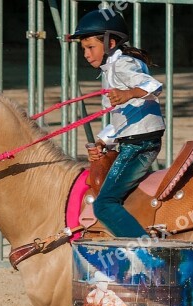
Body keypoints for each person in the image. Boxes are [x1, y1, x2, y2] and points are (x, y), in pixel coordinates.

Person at [68, 9, 165, 238]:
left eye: (90, 47)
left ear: (110, 42)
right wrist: (105, 139)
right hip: (133, 139)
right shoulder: (112, 68)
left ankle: (147, 252)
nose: (86, 54)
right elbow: (125, 115)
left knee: (104, 205)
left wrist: (129, 92)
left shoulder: (122, 64)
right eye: (83, 49)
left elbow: (154, 86)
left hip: (139, 145)